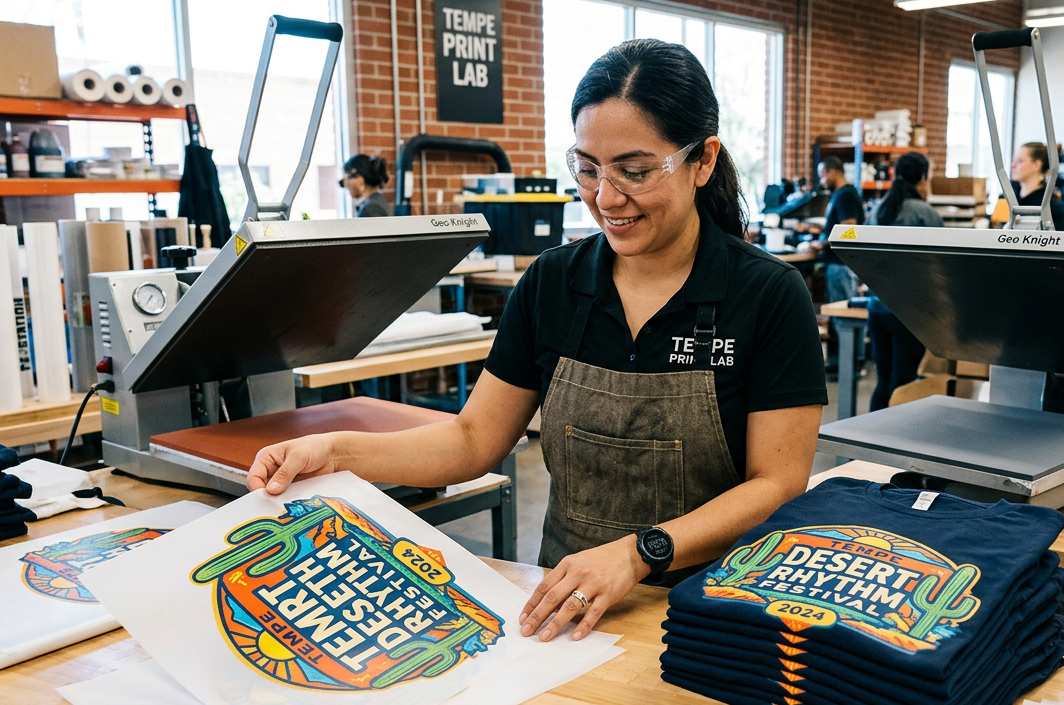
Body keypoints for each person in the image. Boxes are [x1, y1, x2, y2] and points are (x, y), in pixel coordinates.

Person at [246, 39, 826, 644]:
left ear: (702, 161)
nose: (605, 198)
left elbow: (775, 484)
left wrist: (639, 553)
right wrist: (335, 452)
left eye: (633, 170)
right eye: (588, 168)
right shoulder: (554, 283)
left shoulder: (766, 295)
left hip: (710, 609)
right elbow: (472, 441)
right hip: (564, 608)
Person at [864, 152, 937, 411]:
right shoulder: (925, 214)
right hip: (910, 313)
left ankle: (871, 445)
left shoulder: (878, 210)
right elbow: (939, 265)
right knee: (903, 385)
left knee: (883, 382)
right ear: (923, 178)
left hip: (877, 309)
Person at [812, 155, 865, 302]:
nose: (822, 182)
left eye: (823, 176)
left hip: (842, 265)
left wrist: (821, 245)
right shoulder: (840, 194)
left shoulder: (845, 195)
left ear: (833, 172)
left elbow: (848, 229)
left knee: (842, 317)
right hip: (838, 264)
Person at [997, 141, 1064, 229]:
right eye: (1014, 160)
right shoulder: (1008, 194)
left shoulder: (1047, 203)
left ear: (1037, 165)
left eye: (1020, 161)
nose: (1013, 165)